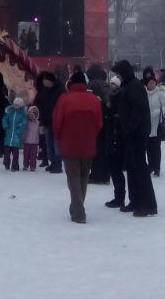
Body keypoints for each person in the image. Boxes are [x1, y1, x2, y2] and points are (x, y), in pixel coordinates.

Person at [54, 70, 103, 224]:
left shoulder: (64, 99)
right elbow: (99, 124)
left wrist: (60, 138)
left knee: (73, 178)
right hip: (88, 145)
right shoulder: (94, 100)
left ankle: (78, 211)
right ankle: (77, 205)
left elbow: (57, 123)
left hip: (69, 144)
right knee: (83, 177)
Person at [113, 60, 157, 217]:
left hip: (136, 134)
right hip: (132, 133)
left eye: (118, 74)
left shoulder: (134, 87)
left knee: (139, 169)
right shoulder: (130, 86)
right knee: (132, 169)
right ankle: (135, 201)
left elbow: (138, 110)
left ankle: (148, 204)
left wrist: (130, 128)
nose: (117, 77)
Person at [102, 75, 128, 210]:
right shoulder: (110, 98)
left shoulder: (118, 99)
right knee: (114, 169)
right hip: (111, 137)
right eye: (110, 84)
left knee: (116, 170)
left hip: (116, 138)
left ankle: (120, 197)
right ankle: (118, 196)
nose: (111, 86)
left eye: (113, 84)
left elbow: (115, 118)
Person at [35, 72, 65, 173]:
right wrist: (42, 122)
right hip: (47, 121)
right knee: (49, 144)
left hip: (56, 121)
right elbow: (42, 106)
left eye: (45, 81)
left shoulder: (60, 90)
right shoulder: (45, 91)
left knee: (56, 144)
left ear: (50, 81)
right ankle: (53, 163)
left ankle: (58, 164)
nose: (44, 83)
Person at [144, 72, 165, 176]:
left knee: (156, 147)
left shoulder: (160, 93)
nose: (152, 84)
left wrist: (158, 112)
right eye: (150, 83)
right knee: (148, 147)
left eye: (153, 82)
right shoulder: (144, 93)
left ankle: (157, 167)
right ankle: (150, 166)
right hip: (146, 124)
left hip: (157, 124)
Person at [1, 97, 28, 171]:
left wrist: (19, 132)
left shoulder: (22, 115)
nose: (15, 106)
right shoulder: (10, 113)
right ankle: (6, 163)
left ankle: (15, 166)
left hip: (16, 138)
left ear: (21, 106)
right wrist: (6, 127)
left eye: (17, 105)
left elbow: (24, 124)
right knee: (6, 152)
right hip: (8, 136)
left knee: (15, 154)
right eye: (15, 104)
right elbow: (4, 120)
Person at [23, 105, 41, 172]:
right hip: (27, 142)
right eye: (31, 114)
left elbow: (40, 132)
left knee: (33, 156)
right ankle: (25, 165)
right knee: (26, 155)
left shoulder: (38, 123)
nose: (32, 116)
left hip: (34, 142)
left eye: (34, 114)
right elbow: (23, 130)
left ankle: (33, 166)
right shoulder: (26, 122)